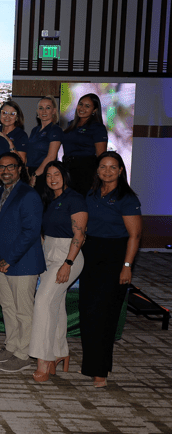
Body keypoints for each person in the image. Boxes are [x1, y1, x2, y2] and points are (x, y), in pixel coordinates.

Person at [79, 152, 141, 388]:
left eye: (112, 167)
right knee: (88, 311)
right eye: (103, 167)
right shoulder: (91, 193)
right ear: (97, 170)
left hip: (115, 257)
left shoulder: (127, 197)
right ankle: (90, 365)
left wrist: (127, 266)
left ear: (121, 170)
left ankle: (100, 371)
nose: (107, 171)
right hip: (91, 255)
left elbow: (135, 235)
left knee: (105, 315)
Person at [0, 153, 45, 372]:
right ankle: (11, 346)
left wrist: (9, 259)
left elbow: (31, 232)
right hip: (1, 261)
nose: (5, 171)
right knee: (8, 307)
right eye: (1, 167)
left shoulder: (28, 194)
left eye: (10, 166)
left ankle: (23, 353)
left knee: (23, 311)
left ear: (20, 169)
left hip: (23, 263)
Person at [29, 162, 87, 382]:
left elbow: (79, 235)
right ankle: (60, 350)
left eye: (57, 174)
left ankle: (44, 359)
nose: (53, 178)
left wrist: (67, 263)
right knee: (56, 303)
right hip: (48, 252)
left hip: (67, 255)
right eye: (49, 175)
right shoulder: (49, 199)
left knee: (42, 302)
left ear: (65, 175)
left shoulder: (75, 199)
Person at [61, 93, 108, 196]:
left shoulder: (98, 128)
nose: (82, 108)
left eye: (87, 106)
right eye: (80, 104)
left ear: (94, 110)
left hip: (86, 172)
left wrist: (98, 180)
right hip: (67, 170)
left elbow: (101, 157)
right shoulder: (70, 124)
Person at [27, 96, 63, 194]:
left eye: (48, 108)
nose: (44, 111)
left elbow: (51, 157)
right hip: (31, 172)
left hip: (44, 173)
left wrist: (35, 175)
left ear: (54, 111)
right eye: (41, 108)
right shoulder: (35, 130)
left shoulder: (55, 130)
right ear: (37, 112)